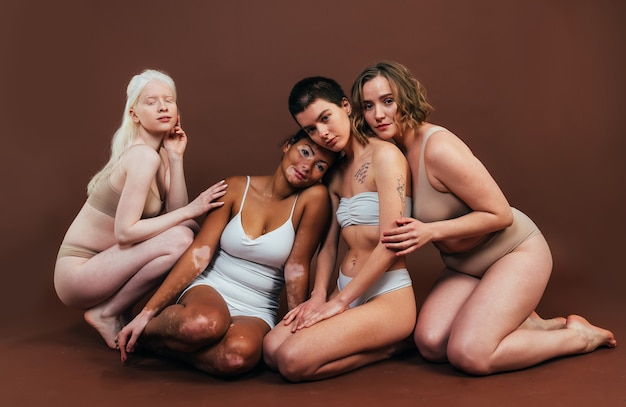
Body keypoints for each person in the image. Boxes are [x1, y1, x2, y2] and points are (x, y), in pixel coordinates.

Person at [350, 60, 617, 375]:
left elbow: (500, 214)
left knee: (470, 354)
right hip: (464, 267)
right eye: (368, 106)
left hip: (514, 252)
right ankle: (534, 324)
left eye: (388, 101)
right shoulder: (390, 154)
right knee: (431, 343)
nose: (378, 114)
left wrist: (431, 231)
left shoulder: (437, 149)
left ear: (406, 98)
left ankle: (579, 337)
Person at [115, 130, 339, 377]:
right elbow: (199, 253)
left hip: (258, 307)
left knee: (235, 357)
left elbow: (297, 267)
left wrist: (294, 330)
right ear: (288, 146)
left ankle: (168, 348)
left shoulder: (314, 199)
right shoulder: (235, 186)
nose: (307, 167)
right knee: (202, 324)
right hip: (211, 289)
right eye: (304, 152)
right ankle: (144, 333)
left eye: (320, 166)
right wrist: (149, 312)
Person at [54, 69, 228, 350]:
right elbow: (125, 232)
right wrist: (192, 210)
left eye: (168, 100)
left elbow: (177, 211)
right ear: (134, 114)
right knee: (183, 236)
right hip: (79, 273)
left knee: (187, 231)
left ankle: (116, 308)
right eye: (151, 101)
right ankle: (105, 312)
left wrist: (175, 157)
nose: (162, 106)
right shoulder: (142, 157)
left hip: (107, 266)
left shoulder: (157, 155)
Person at [262, 76, 416, 382]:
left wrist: (339, 304)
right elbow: (329, 246)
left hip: (387, 294)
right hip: (344, 288)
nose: (322, 134)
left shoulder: (385, 157)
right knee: (271, 349)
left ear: (345, 106)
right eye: (310, 129)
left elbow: (391, 243)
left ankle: (390, 347)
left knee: (292, 362)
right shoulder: (334, 174)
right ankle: (379, 340)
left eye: (325, 118)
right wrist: (320, 295)